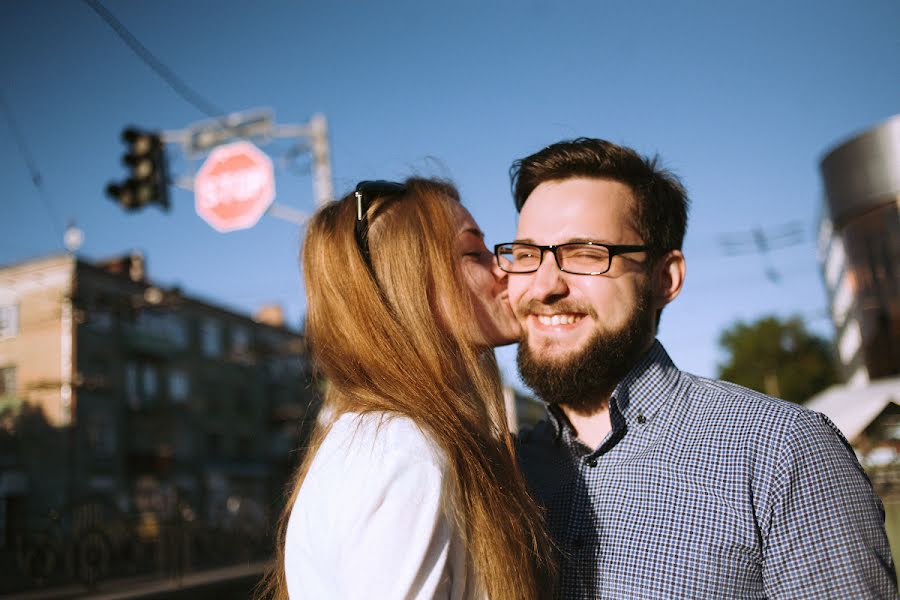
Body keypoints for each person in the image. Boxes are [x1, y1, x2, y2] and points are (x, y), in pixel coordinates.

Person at [499, 138, 897, 598]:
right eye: (526, 255)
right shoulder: (503, 471)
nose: (545, 285)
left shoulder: (780, 451)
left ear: (665, 278)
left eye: (586, 253)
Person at [257, 177, 554, 600]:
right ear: (411, 284)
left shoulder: (379, 439)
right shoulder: (403, 451)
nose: (504, 268)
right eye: (473, 252)